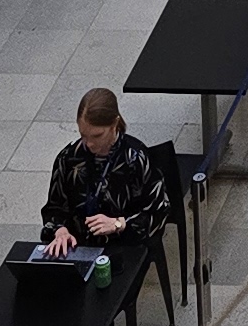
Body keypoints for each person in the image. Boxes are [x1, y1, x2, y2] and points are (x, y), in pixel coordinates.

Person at [41, 87, 166, 258]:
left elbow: (158, 213)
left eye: (97, 136)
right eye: (83, 135)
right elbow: (54, 209)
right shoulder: (68, 158)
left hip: (122, 246)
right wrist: (60, 231)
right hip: (77, 246)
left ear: (115, 124)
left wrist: (118, 224)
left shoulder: (136, 159)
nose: (89, 144)